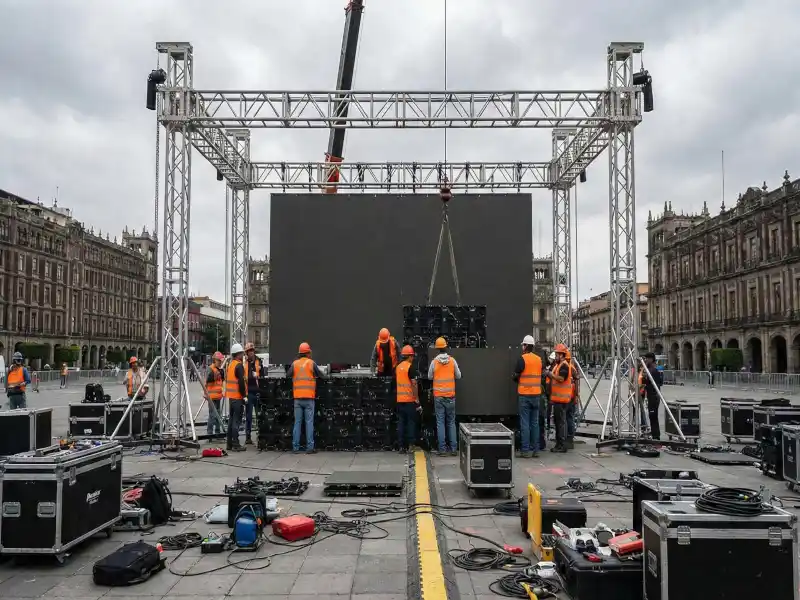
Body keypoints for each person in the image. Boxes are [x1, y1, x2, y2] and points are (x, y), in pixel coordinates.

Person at [289, 342, 325, 454]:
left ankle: (295, 447)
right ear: (308, 353)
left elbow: (287, 374)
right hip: (309, 398)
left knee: (297, 423)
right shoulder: (311, 363)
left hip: (297, 399)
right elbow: (321, 375)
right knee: (309, 423)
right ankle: (310, 447)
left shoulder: (294, 364)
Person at [428, 337, 461, 455]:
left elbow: (429, 377)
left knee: (440, 422)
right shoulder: (452, 361)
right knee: (451, 422)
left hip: (439, 396)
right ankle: (453, 449)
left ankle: (442, 449)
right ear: (446, 347)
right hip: (450, 396)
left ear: (437, 349)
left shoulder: (434, 362)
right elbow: (458, 375)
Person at [513, 335, 543, 458]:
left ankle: (525, 450)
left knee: (524, 423)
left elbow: (516, 375)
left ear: (525, 346)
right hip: (536, 395)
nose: (522, 347)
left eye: (523, 345)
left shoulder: (522, 359)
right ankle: (536, 450)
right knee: (534, 423)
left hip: (525, 395)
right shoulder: (539, 359)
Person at [546, 343, 572, 453]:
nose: (555, 356)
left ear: (561, 355)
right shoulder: (558, 365)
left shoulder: (564, 365)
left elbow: (561, 378)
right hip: (557, 399)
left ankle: (561, 445)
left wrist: (549, 374)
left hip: (561, 400)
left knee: (560, 423)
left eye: (557, 354)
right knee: (558, 422)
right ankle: (559, 444)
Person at [395, 345, 421, 452]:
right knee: (411, 422)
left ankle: (401, 446)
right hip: (410, 400)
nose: (413, 358)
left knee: (401, 422)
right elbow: (414, 384)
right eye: (412, 356)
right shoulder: (411, 367)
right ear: (409, 356)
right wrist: (417, 399)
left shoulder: (398, 367)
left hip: (400, 400)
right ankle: (411, 445)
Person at [225, 343, 248, 452]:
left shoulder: (230, 365)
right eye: (241, 353)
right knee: (236, 421)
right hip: (238, 397)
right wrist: (244, 396)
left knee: (231, 421)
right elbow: (241, 383)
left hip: (231, 398)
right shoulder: (239, 366)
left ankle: (229, 443)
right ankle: (236, 443)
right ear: (237, 354)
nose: (243, 355)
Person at [243, 342, 263, 445]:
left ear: (253, 351)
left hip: (257, 392)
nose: (249, 353)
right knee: (249, 416)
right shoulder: (245, 363)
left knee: (259, 416)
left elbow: (263, 377)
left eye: (250, 351)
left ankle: (260, 436)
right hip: (249, 393)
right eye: (247, 352)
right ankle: (248, 437)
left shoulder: (259, 361)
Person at [642, 352, 664, 440]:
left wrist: (645, 379)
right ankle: (654, 432)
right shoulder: (651, 369)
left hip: (654, 396)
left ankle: (656, 435)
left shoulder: (653, 370)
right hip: (652, 395)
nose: (645, 360)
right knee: (652, 416)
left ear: (651, 359)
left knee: (653, 415)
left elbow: (655, 382)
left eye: (647, 358)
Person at [205, 351, 225, 437]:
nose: (220, 362)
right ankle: (209, 433)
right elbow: (207, 380)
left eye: (220, 361)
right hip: (212, 396)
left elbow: (222, 381)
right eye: (218, 361)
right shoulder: (211, 368)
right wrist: (214, 376)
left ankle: (217, 432)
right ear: (214, 360)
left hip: (218, 396)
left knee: (218, 415)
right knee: (212, 415)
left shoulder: (220, 370)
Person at [539, 351, 556, 450]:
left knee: (543, 418)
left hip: (550, 396)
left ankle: (541, 442)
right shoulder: (550, 368)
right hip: (548, 395)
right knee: (544, 417)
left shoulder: (552, 369)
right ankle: (542, 442)